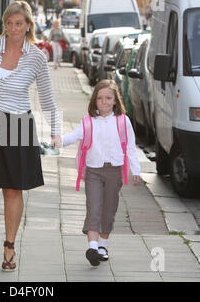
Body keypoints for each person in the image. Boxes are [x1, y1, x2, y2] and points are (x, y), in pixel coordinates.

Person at [0, 0, 61, 272]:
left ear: (28, 25)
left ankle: (9, 245)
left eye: (19, 23)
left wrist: (55, 129)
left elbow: (46, 96)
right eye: (9, 23)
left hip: (18, 124)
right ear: (4, 24)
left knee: (12, 189)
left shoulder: (37, 57)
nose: (13, 28)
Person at [56, 79, 141, 267]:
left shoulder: (123, 121)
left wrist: (136, 170)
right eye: (100, 98)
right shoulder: (88, 122)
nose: (104, 102)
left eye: (108, 98)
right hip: (93, 170)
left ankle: (103, 245)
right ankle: (92, 248)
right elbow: (75, 135)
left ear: (115, 101)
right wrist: (59, 140)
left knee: (109, 210)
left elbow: (130, 147)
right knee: (94, 207)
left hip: (115, 171)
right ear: (94, 100)